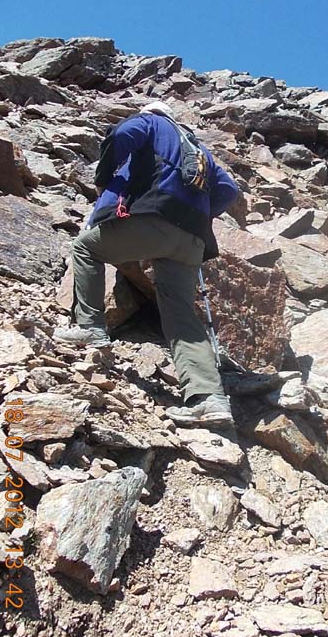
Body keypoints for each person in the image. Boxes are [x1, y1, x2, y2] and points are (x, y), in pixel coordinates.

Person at [53, 102, 239, 427]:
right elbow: (228, 190)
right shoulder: (198, 148)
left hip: (156, 217)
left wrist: (103, 177)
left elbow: (122, 134)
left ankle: (90, 327)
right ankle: (208, 398)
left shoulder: (151, 123)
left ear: (150, 112)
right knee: (180, 313)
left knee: (85, 248)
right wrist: (199, 214)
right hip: (193, 240)